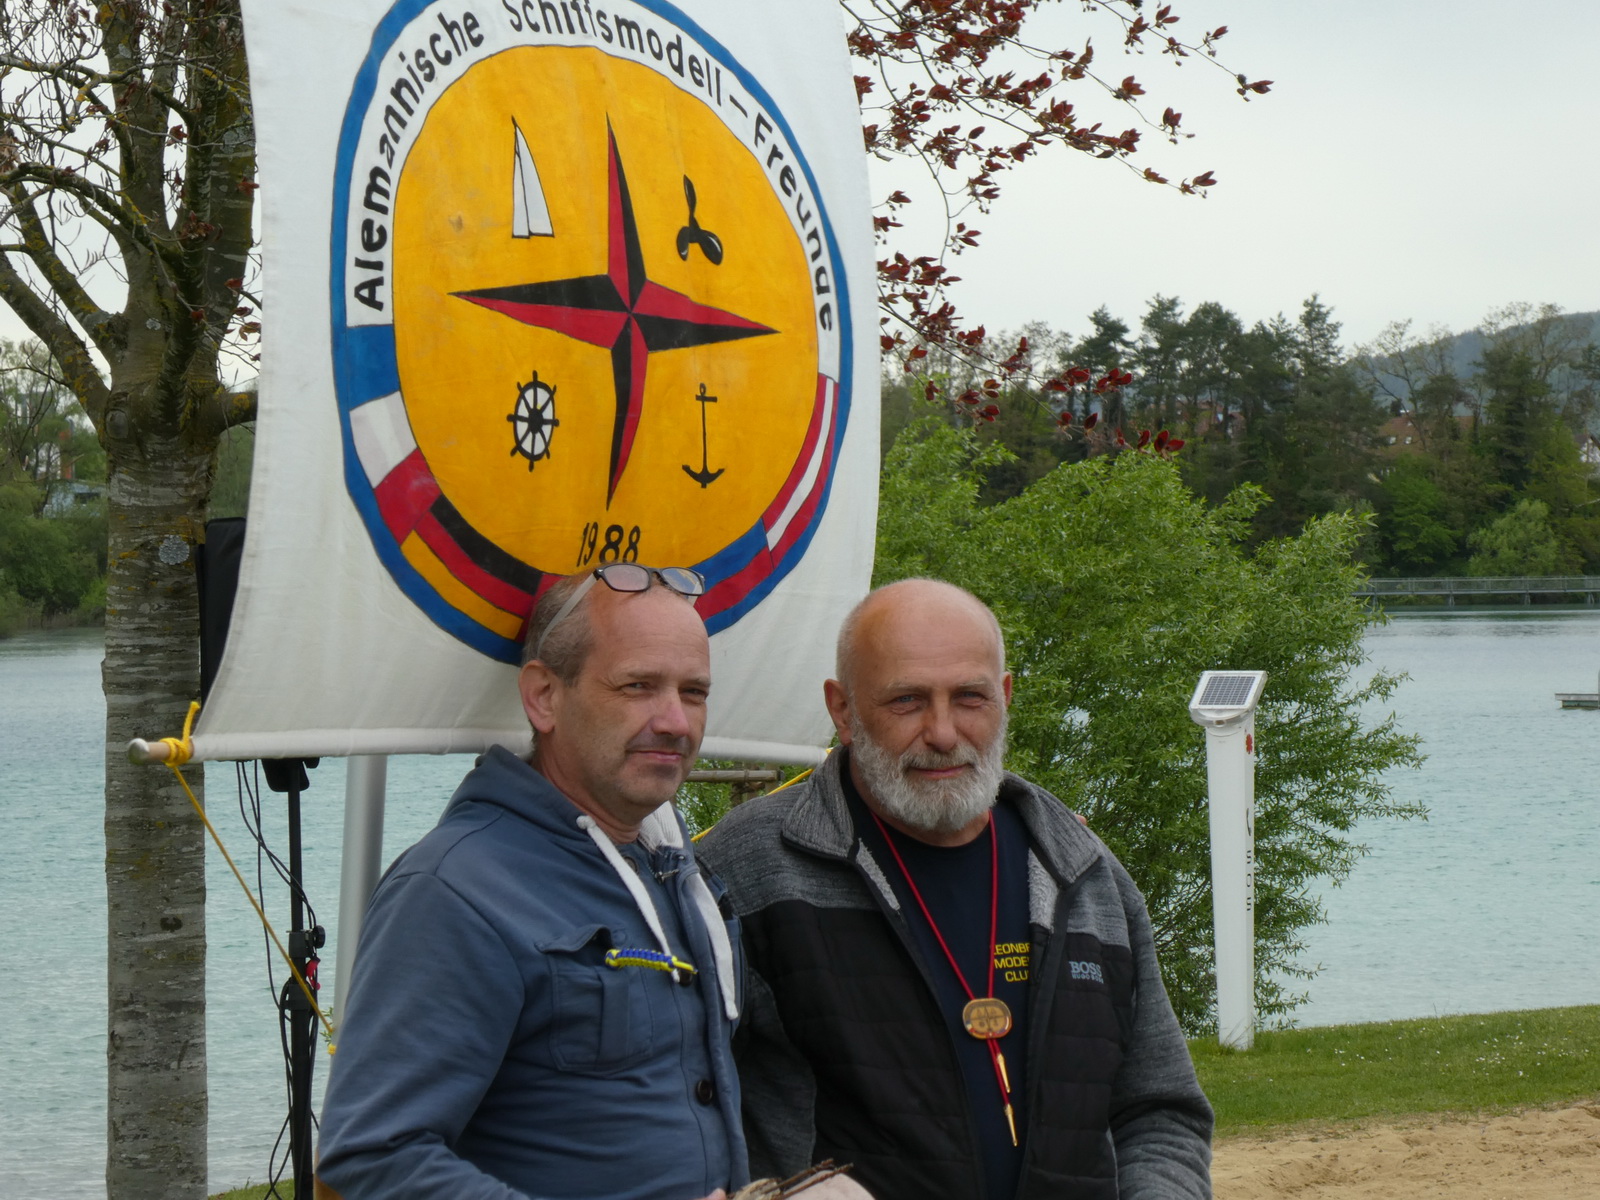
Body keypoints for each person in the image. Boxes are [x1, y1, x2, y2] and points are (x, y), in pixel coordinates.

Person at [697, 579, 1214, 1200]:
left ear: (1005, 697)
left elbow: (1160, 1112)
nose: (943, 733)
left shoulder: (1083, 871)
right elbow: (675, 1113)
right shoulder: (745, 870)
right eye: (907, 700)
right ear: (843, 710)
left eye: (970, 697)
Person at [316, 564, 748, 1200]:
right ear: (544, 696)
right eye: (637, 686)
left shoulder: (672, 865)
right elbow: (369, 1162)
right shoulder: (455, 890)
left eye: (694, 692)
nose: (675, 722)